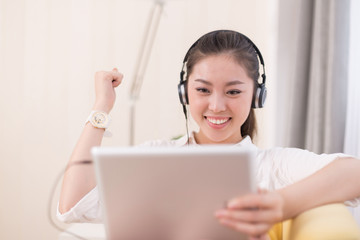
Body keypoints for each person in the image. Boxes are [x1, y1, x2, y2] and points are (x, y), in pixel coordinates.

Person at [58, 30, 360, 239]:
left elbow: (354, 173)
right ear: (184, 92)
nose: (217, 106)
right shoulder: (157, 157)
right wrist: (102, 107)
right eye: (203, 89)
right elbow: (72, 206)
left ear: (256, 96)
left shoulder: (272, 166)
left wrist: (281, 203)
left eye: (233, 91)